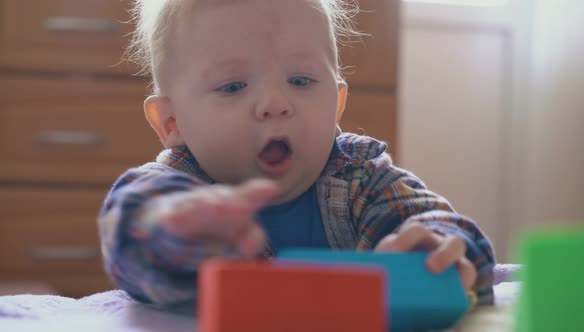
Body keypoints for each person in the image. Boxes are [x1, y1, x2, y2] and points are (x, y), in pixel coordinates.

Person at [98, 0, 495, 309]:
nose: (274, 103)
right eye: (233, 87)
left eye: (301, 80)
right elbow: (129, 230)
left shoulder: (359, 176)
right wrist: (173, 235)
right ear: (172, 123)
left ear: (337, 104)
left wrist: (436, 247)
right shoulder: (173, 187)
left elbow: (437, 222)